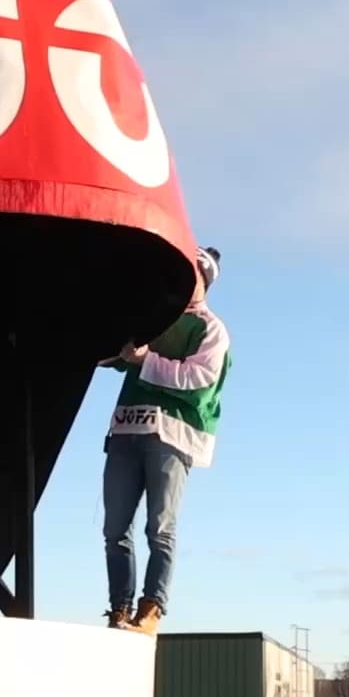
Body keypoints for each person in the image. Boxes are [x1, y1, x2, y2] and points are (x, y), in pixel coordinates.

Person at [101, 246, 231, 635]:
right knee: (114, 528)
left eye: (191, 274)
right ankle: (119, 608)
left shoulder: (211, 328)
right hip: (126, 429)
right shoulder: (151, 316)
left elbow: (200, 379)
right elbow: (112, 355)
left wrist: (144, 361)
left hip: (171, 436)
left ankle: (152, 609)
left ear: (203, 280)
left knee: (160, 527)